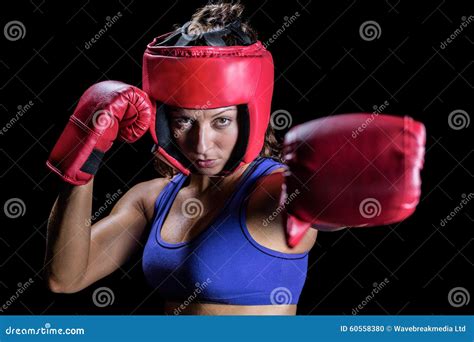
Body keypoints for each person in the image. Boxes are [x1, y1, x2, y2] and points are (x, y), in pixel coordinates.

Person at [44, 1, 425, 315]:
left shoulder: (277, 191)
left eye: (222, 120)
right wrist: (81, 166)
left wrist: (364, 172)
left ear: (251, 116)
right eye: (184, 121)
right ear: (161, 121)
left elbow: (322, 206)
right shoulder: (151, 199)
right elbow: (66, 276)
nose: (202, 142)